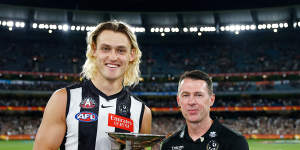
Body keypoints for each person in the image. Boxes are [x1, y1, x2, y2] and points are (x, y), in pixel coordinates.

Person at [33, 21, 152, 150]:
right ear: (94, 50)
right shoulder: (63, 99)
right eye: (106, 48)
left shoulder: (142, 112)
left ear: (132, 55)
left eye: (121, 50)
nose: (113, 57)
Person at [161, 70, 248, 150]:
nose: (191, 102)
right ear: (178, 101)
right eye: (186, 95)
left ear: (211, 100)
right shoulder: (168, 145)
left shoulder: (235, 142)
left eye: (199, 95)